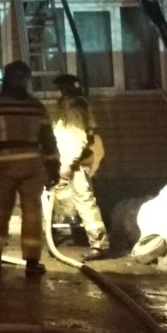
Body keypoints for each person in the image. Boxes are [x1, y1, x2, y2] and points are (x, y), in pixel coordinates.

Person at [0, 60, 60, 278]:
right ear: (26, 81)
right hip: (32, 166)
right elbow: (48, 141)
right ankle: (32, 264)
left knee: (0, 211)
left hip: (4, 166)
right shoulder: (37, 107)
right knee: (32, 213)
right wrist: (54, 168)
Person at [52, 74, 110, 261]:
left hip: (76, 162)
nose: (56, 93)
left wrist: (68, 165)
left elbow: (77, 139)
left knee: (84, 200)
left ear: (64, 90)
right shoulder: (69, 107)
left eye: (58, 89)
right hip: (70, 160)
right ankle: (71, 216)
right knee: (64, 191)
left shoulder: (73, 109)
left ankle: (99, 245)